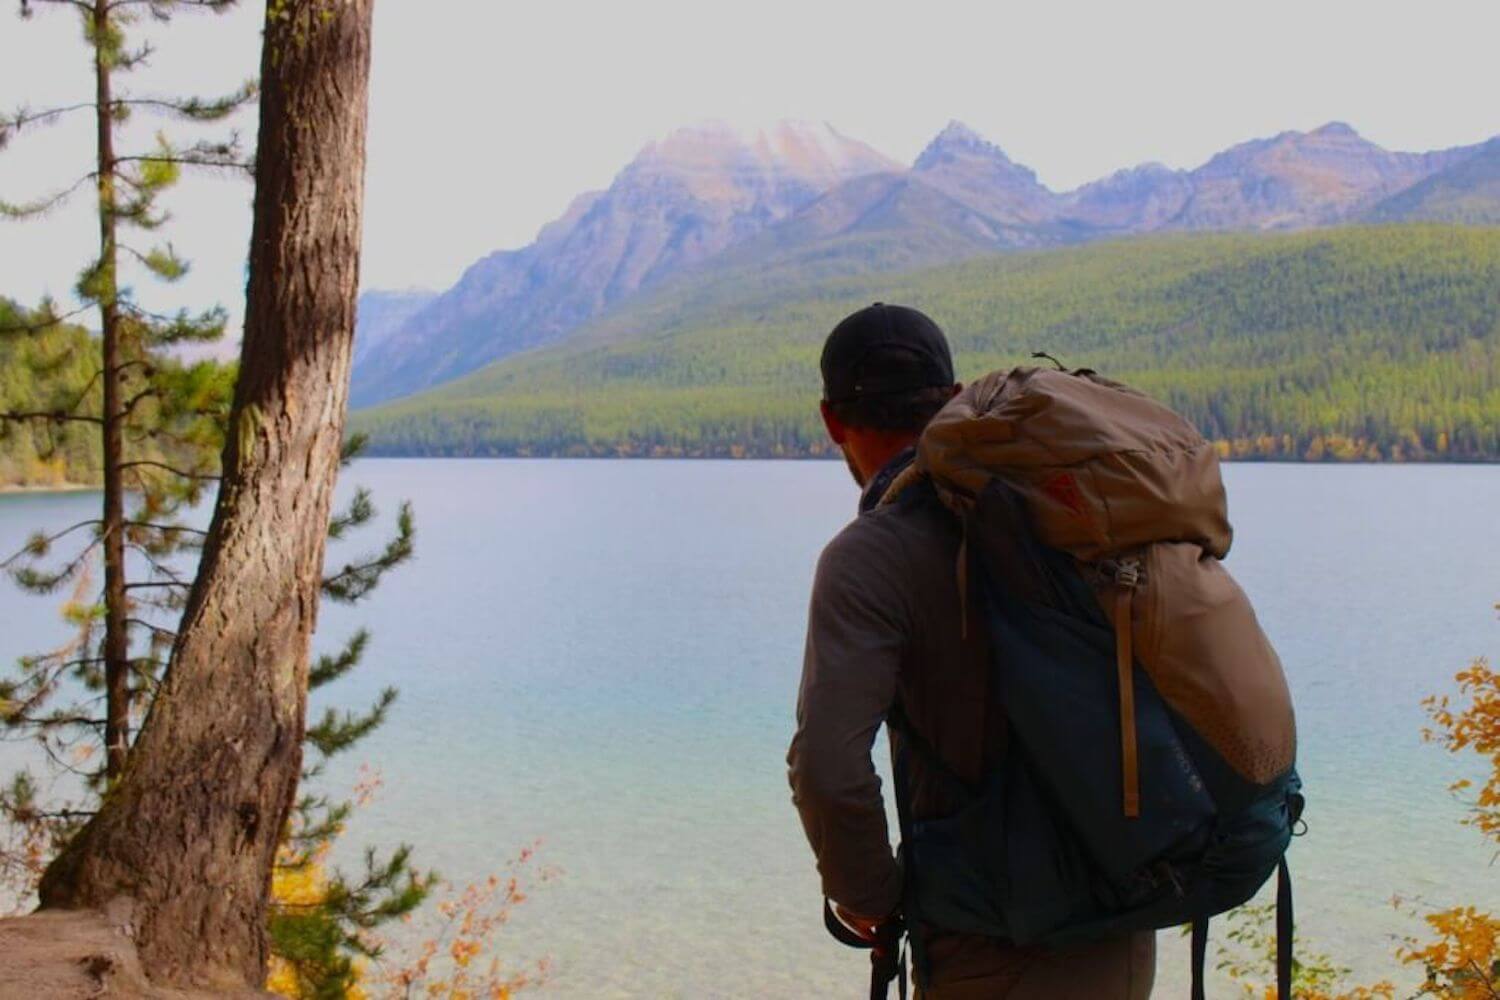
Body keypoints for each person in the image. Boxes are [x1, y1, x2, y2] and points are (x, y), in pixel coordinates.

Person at [787, 302, 1156, 999]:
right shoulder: (1063, 507)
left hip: (991, 938)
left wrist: (869, 894)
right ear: (954, 401)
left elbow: (829, 766)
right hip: (1121, 912)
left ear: (832, 420)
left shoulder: (871, 554)